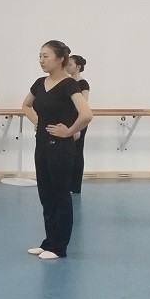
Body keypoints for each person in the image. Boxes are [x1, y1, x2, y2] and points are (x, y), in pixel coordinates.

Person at [22, 40, 93, 260]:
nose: (41, 60)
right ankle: (49, 242)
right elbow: (26, 105)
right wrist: (38, 121)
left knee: (60, 194)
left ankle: (59, 247)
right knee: (46, 194)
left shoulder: (69, 84)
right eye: (40, 56)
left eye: (46, 56)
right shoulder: (39, 83)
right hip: (42, 144)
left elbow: (86, 114)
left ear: (60, 59)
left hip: (61, 148)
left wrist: (69, 131)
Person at [66, 54, 90, 194]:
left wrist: (78, 127)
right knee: (67, 152)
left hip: (78, 120)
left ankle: (75, 186)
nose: (67, 66)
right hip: (67, 120)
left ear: (78, 67)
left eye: (70, 64)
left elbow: (83, 105)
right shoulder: (67, 82)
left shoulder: (83, 84)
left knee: (77, 152)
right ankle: (66, 183)